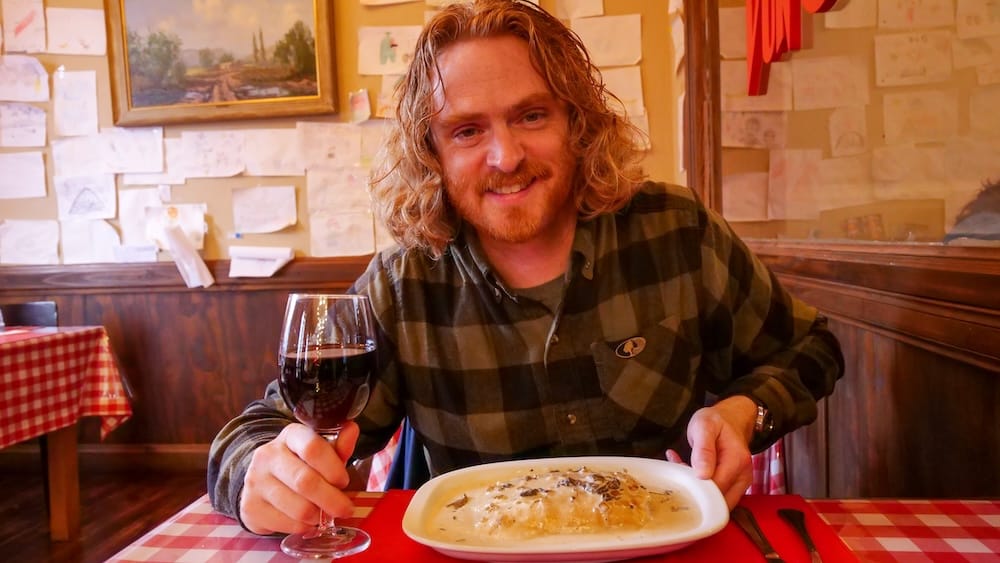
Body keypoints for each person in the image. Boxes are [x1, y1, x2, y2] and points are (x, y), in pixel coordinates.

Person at [208, 0, 844, 537]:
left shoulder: (675, 232)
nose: (505, 156)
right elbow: (263, 432)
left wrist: (744, 412)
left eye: (531, 116)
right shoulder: (406, 284)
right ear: (431, 151)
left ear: (578, 121)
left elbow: (811, 350)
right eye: (466, 131)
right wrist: (257, 473)